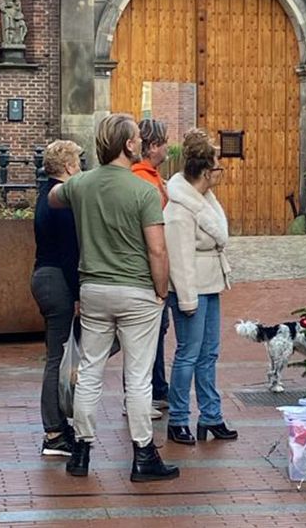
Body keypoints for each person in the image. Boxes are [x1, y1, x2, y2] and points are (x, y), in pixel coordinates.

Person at [49, 114, 179, 482]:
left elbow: (54, 196)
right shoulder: (143, 191)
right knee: (137, 376)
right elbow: (157, 251)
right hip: (136, 289)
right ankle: (143, 454)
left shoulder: (84, 185)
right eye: (137, 137)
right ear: (128, 145)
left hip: (93, 289)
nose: (140, 141)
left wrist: (77, 186)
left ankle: (82, 451)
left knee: (90, 370)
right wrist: (161, 291)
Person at [163, 129, 236, 445]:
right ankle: (178, 418)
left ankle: (211, 414)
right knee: (188, 354)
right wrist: (187, 299)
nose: (220, 173)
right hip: (191, 288)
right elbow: (179, 259)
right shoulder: (180, 209)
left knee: (209, 353)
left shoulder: (205, 199)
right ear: (206, 172)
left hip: (211, 283)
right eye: (217, 167)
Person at [30, 139, 82, 458]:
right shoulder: (59, 200)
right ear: (67, 167)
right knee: (58, 358)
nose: (81, 167)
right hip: (57, 280)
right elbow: (68, 253)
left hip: (45, 277)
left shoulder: (44, 195)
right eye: (78, 162)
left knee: (59, 356)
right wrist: (77, 294)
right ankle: (54, 432)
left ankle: (58, 427)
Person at [130, 118, 171, 416]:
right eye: (165, 141)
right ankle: (145, 394)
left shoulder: (153, 177)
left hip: (150, 267)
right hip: (145, 269)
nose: (169, 146)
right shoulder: (143, 180)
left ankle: (157, 388)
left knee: (157, 333)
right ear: (154, 146)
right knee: (146, 336)